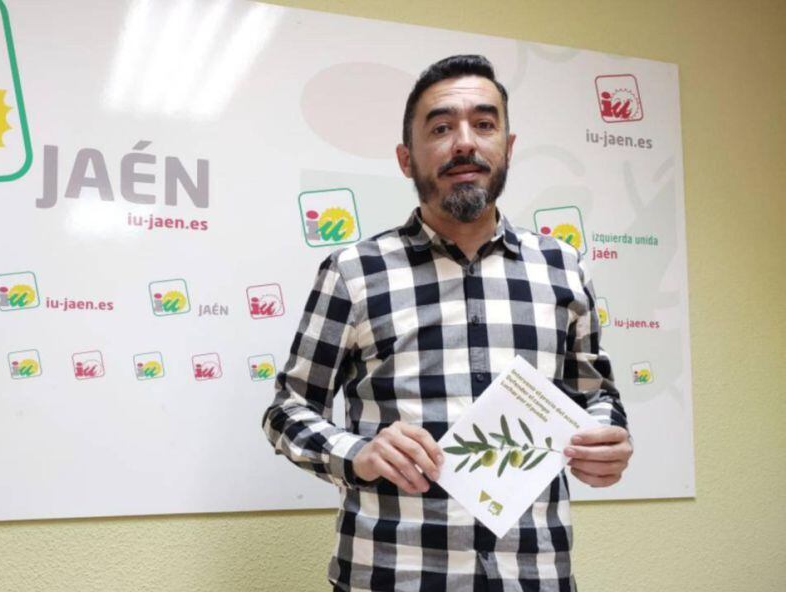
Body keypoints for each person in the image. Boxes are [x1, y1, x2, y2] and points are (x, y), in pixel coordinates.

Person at [262, 55, 632, 591]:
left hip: (537, 575)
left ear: (508, 147)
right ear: (406, 158)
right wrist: (358, 454)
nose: (464, 142)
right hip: (391, 575)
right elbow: (288, 409)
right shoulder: (354, 272)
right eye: (441, 127)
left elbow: (595, 394)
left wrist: (606, 437)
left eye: (484, 124)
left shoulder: (563, 267)